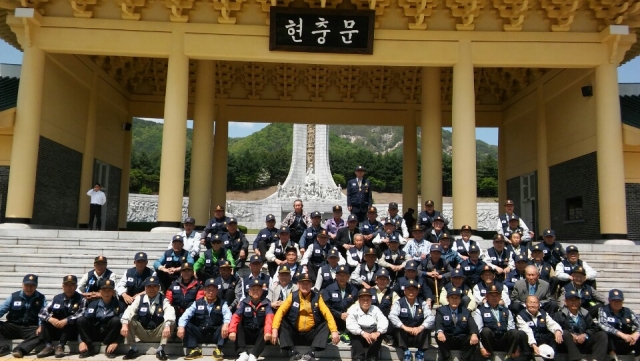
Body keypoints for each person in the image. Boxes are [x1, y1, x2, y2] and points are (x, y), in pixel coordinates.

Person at [270, 272, 340, 361]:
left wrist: (334, 331)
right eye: (302, 283)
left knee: (326, 325)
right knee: (282, 322)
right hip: (295, 333)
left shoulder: (317, 297)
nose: (305, 286)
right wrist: (274, 329)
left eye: (307, 283)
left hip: (311, 334)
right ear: (298, 284)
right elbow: (280, 312)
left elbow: (328, 314)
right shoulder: (293, 296)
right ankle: (293, 352)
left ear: (311, 285)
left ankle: (311, 353)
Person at [120, 276, 176, 361]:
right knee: (129, 320)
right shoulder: (140, 298)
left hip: (159, 333)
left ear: (158, 287)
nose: (151, 289)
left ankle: (161, 349)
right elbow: (130, 310)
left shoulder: (163, 299)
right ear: (145, 288)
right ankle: (133, 349)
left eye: (154, 286)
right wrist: (124, 324)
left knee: (171, 322)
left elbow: (170, 311)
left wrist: (167, 325)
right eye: (149, 286)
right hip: (143, 332)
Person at [177, 278, 231, 361]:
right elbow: (185, 315)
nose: (211, 292)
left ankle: (218, 350)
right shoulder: (197, 303)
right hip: (200, 332)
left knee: (227, 324)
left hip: (215, 333)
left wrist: (226, 324)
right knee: (185, 324)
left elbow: (228, 314)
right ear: (204, 291)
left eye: (213, 290)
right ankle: (194, 349)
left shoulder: (222, 303)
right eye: (208, 290)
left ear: (217, 291)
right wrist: (181, 327)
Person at [37, 275, 86, 359]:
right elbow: (42, 312)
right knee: (45, 321)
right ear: (63, 286)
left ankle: (61, 346)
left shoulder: (81, 299)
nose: (69, 287)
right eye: (67, 285)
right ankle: (48, 346)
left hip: (71, 330)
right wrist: (51, 319)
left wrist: (66, 320)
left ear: (76, 287)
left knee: (71, 321)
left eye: (72, 285)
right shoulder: (57, 298)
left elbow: (81, 313)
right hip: (57, 327)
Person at [553, 289, 608, 361]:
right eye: (571, 300)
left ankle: (595, 359)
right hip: (568, 345)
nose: (574, 303)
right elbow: (555, 328)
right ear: (566, 302)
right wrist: (571, 335)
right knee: (564, 333)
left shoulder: (585, 314)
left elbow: (593, 328)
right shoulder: (559, 315)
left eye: (576, 300)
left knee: (602, 335)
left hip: (583, 342)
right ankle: (577, 359)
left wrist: (585, 335)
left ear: (579, 302)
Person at [0, 274, 46, 358]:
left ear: (36, 286)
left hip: (30, 328)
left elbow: (43, 314)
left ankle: (20, 349)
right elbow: (2, 309)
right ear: (22, 285)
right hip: (13, 326)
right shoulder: (13, 296)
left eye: (32, 285)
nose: (29, 288)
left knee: (44, 331)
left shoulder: (41, 298)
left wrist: (41, 325)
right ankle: (3, 347)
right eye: (27, 285)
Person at [388, 280, 435, 361]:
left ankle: (420, 352)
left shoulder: (423, 303)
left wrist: (420, 327)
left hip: (418, 334)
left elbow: (431, 317)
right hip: (404, 336)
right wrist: (405, 327)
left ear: (417, 292)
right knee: (398, 326)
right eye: (409, 289)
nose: (411, 291)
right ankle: (406, 352)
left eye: (413, 289)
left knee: (427, 326)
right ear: (404, 291)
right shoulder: (399, 303)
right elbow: (392, 315)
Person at [76, 279, 124, 358]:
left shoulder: (120, 305)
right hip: (95, 331)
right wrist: (81, 341)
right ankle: (89, 347)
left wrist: (116, 342)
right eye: (104, 290)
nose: (106, 293)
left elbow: (124, 326)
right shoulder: (93, 304)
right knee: (81, 320)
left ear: (113, 292)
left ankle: (109, 348)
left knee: (116, 320)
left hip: (110, 334)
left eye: (109, 290)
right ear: (100, 292)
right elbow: (83, 322)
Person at [473, 284, 522, 359]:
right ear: (486, 296)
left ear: (500, 297)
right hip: (489, 341)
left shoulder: (506, 310)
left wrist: (517, 347)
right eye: (491, 295)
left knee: (515, 332)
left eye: (496, 295)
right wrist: (481, 347)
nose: (494, 298)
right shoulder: (480, 310)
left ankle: (509, 356)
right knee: (485, 331)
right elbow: (478, 331)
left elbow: (511, 328)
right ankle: (489, 357)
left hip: (503, 339)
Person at [229, 279, 274, 361]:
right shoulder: (244, 303)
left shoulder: (267, 303)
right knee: (239, 324)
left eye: (258, 290)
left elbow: (269, 318)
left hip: (259, 335)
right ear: (249, 292)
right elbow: (235, 316)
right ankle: (243, 353)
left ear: (262, 292)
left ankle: (254, 355)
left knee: (265, 329)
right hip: (247, 333)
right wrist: (232, 331)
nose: (255, 292)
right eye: (253, 290)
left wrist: (268, 331)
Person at [435, 287, 479, 361]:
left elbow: (473, 325)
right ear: (447, 299)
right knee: (438, 335)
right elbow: (438, 323)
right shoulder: (441, 310)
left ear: (460, 300)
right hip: (448, 339)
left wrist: (474, 334)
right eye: (452, 298)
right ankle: (447, 358)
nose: (454, 300)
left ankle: (465, 359)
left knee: (474, 337)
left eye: (457, 298)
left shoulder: (466, 312)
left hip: (461, 339)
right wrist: (440, 332)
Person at [515, 295, 563, 361]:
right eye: (530, 302)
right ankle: (529, 357)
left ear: (539, 305)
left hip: (541, 340)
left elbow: (552, 323)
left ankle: (551, 356)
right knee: (522, 334)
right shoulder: (520, 315)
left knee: (553, 333)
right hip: (529, 342)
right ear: (526, 304)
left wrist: (557, 330)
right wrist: (533, 345)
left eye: (535, 303)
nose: (532, 305)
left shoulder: (544, 314)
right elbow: (527, 331)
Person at [346, 289, 388, 361]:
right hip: (360, 336)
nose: (366, 302)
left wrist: (378, 332)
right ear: (359, 300)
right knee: (354, 333)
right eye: (363, 299)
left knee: (381, 333)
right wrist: (362, 333)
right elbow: (350, 323)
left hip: (372, 337)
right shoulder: (353, 308)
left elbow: (383, 321)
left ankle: (372, 356)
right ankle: (358, 357)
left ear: (371, 300)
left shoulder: (376, 309)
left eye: (368, 299)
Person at [598, 289, 640, 359]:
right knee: (604, 334)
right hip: (611, 343)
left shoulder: (628, 311)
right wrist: (621, 334)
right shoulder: (603, 310)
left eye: (619, 301)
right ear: (609, 300)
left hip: (627, 341)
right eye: (614, 300)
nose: (617, 303)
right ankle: (612, 356)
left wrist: (636, 334)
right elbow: (603, 324)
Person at [323, 265, 358, 343]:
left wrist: (347, 313)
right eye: (339, 275)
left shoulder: (353, 289)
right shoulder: (329, 289)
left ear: (348, 277)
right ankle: (330, 332)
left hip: (347, 317)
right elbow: (326, 306)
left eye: (344, 275)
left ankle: (346, 333)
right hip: (334, 316)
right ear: (336, 276)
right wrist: (339, 314)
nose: (342, 278)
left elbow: (356, 305)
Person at [368, 269, 398, 345]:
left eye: (385, 279)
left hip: (386, 318)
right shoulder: (369, 291)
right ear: (376, 280)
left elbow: (397, 303)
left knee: (393, 314)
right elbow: (359, 303)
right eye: (380, 279)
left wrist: (393, 307)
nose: (382, 281)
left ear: (388, 281)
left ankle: (388, 336)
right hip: (371, 316)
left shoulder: (392, 293)